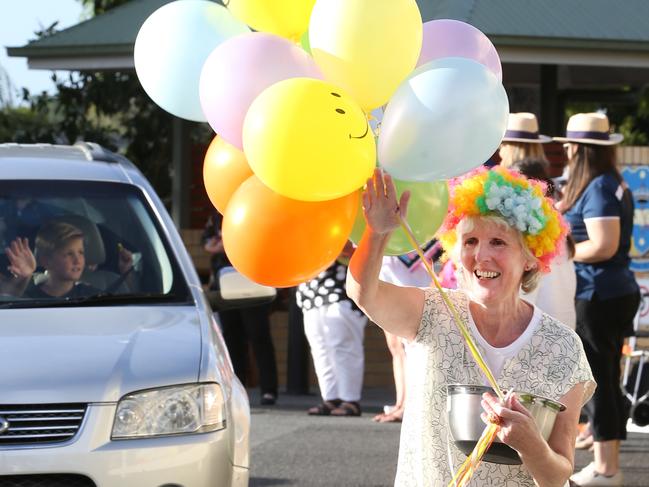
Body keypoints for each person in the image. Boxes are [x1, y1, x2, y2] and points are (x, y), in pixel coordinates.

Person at [347, 166, 595, 485]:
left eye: (498, 243)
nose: (481, 255)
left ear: (531, 256)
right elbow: (363, 293)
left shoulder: (563, 348)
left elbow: (558, 475)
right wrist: (377, 232)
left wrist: (531, 446)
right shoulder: (430, 312)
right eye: (470, 241)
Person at [555, 113, 640, 486]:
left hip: (599, 294)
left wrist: (562, 252)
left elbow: (603, 244)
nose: (566, 151)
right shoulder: (606, 182)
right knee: (604, 378)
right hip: (610, 291)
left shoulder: (599, 187)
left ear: (581, 149)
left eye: (570, 145)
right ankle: (606, 464)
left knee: (599, 380)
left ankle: (607, 469)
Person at [202, 212, 279, 406]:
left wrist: (228, 245)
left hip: (253, 280)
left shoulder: (255, 211)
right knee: (231, 338)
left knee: (259, 336)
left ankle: (269, 390)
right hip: (225, 284)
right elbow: (208, 243)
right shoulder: (217, 215)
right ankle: (237, 389)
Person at [297, 244, 368, 417]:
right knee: (320, 347)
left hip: (340, 287)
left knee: (343, 345)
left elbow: (356, 248)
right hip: (310, 289)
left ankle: (350, 400)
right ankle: (331, 397)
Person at [511, 157, 577, 329]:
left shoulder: (531, 233)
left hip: (540, 332)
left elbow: (524, 294)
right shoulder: (556, 226)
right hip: (564, 328)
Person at [373, 248, 436, 423]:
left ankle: (410, 404)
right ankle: (401, 402)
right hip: (384, 263)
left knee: (411, 340)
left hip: (408, 263)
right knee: (395, 344)